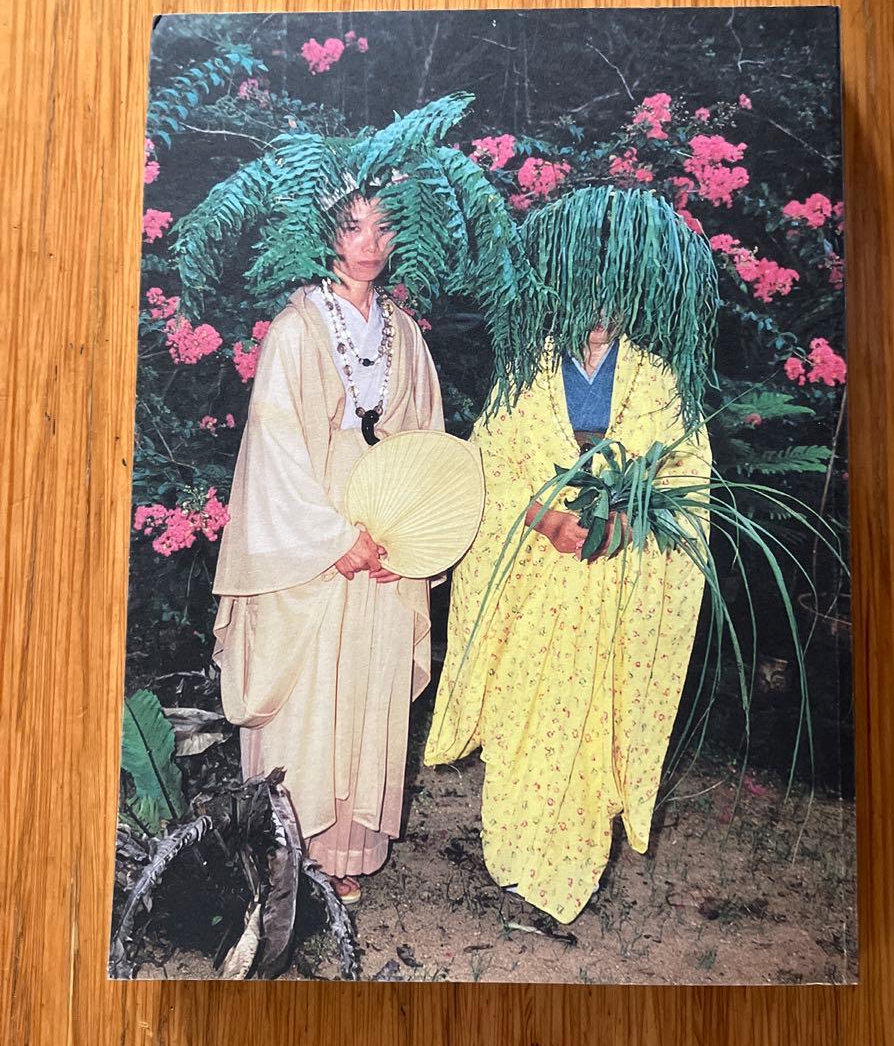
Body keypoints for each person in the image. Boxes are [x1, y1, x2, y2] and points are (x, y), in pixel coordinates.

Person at [424, 189, 718, 924]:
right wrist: (543, 517)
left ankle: (566, 875)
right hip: (534, 576)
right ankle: (516, 861)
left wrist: (625, 523)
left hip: (614, 584)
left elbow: (686, 481)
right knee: (524, 710)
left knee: (589, 726)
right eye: (583, 288)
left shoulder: (659, 382)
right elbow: (488, 469)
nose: (597, 307)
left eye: (611, 291)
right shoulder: (527, 375)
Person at [212, 190, 443, 905]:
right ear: (325, 234)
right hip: (310, 541)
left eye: (384, 226)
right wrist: (333, 540)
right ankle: (286, 848)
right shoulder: (295, 329)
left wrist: (408, 540)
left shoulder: (406, 334)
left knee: (368, 685)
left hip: (384, 536)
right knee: (309, 694)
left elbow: (428, 442)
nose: (368, 243)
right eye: (351, 226)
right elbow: (274, 450)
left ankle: (344, 850)